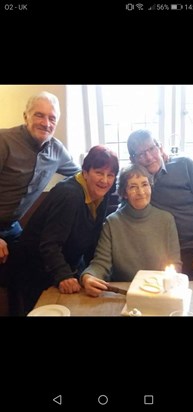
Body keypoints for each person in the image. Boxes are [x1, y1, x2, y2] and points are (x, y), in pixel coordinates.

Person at [10, 145, 119, 314]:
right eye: (99, 172)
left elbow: (93, 238)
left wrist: (92, 272)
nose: (105, 180)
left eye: (110, 175)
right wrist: (63, 275)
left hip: (64, 263)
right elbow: (49, 244)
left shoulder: (101, 194)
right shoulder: (70, 196)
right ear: (85, 172)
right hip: (35, 269)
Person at [0, 91, 79, 269]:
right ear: (25, 116)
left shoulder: (57, 150)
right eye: (39, 115)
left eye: (52, 118)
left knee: (31, 267)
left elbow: (82, 175)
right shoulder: (3, 141)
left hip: (12, 226)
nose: (46, 123)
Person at [81, 164, 182, 297]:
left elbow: (175, 263)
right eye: (133, 187)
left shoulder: (166, 220)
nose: (141, 192)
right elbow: (101, 263)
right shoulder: (112, 223)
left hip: (160, 292)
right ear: (124, 193)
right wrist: (88, 277)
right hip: (124, 293)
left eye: (145, 184)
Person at [127, 129, 193, 280]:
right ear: (133, 159)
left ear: (160, 147)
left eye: (151, 149)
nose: (149, 157)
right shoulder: (138, 183)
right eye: (141, 154)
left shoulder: (184, 166)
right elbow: (123, 208)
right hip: (167, 256)